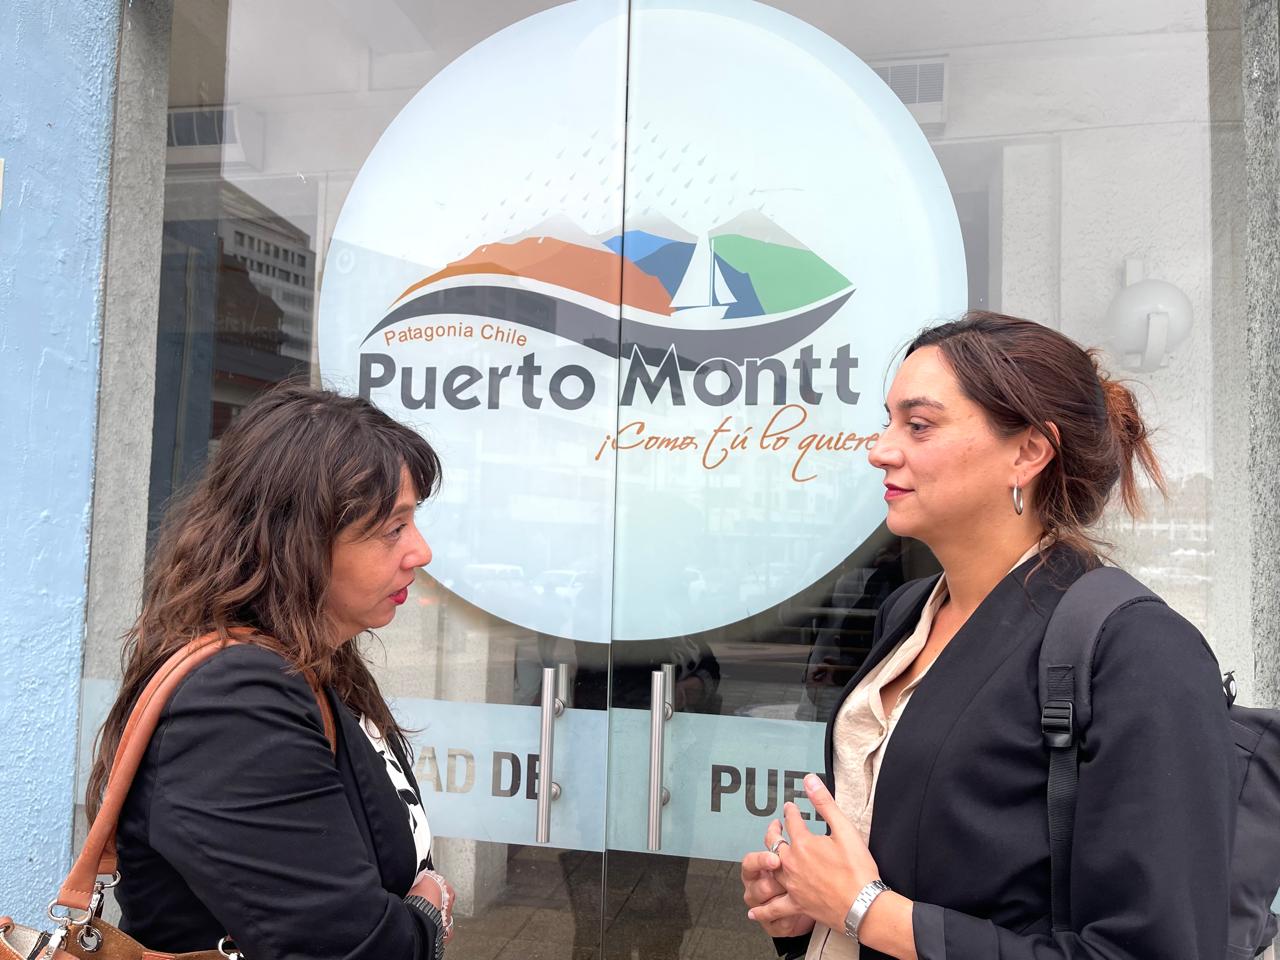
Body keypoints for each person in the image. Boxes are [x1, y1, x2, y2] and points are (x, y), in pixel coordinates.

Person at [740, 312, 1235, 959]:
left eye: (919, 425)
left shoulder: (1138, 649)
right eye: (888, 422)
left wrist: (864, 911)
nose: (880, 450)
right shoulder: (908, 614)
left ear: (1028, 452)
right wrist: (809, 909)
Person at [85, 384, 454, 959]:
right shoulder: (234, 703)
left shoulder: (317, 663)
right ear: (298, 541)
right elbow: (351, 948)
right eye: (392, 528)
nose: (420, 551)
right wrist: (427, 915)